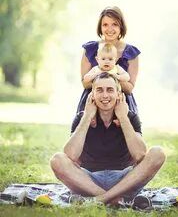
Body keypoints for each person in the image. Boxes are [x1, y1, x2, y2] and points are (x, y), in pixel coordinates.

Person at [50, 72, 166, 207]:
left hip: (125, 180)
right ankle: (113, 200)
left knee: (158, 153)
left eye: (110, 90)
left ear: (118, 94)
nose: (105, 95)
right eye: (99, 90)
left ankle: (100, 199)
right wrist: (87, 117)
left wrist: (123, 118)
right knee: (57, 160)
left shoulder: (130, 117)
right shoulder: (82, 117)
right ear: (92, 95)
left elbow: (140, 155)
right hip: (88, 181)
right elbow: (70, 155)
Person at [76, 6, 140, 118]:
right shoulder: (90, 49)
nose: (109, 29)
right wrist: (103, 79)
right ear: (100, 27)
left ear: (121, 26)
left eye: (114, 24)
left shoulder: (131, 53)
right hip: (93, 104)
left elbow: (129, 88)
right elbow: (85, 83)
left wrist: (110, 77)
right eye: (105, 25)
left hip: (121, 105)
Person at [84, 42, 130, 128]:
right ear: (97, 60)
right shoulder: (96, 69)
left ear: (115, 60)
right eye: (103, 59)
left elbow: (127, 77)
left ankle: (121, 119)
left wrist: (118, 76)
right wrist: (94, 75)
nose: (107, 61)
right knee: (91, 102)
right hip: (98, 96)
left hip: (116, 95)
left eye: (110, 59)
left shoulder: (117, 68)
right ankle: (92, 119)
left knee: (123, 104)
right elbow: (86, 79)